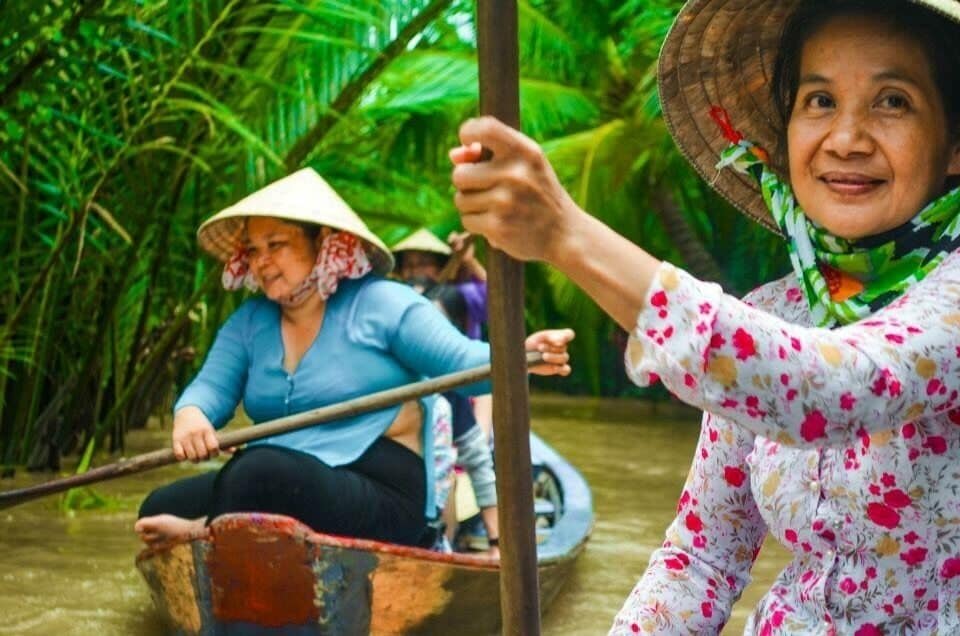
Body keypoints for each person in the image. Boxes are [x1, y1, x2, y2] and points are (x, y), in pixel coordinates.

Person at [449, 0, 960, 632]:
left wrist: (567, 236)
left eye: (893, 102)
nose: (846, 139)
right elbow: (702, 557)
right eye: (819, 101)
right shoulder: (773, 310)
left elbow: (836, 388)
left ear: (954, 142)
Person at [134, 168, 574, 549]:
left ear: (324, 242)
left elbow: (464, 365)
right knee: (158, 506)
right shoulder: (250, 322)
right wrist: (190, 416)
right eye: (253, 249)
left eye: (276, 244)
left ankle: (204, 533)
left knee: (254, 473)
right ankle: (212, 528)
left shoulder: (384, 303)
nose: (262, 261)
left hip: (380, 491)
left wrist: (523, 355)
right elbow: (210, 388)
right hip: (277, 482)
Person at [424, 282, 500, 554]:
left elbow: (477, 453)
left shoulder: (458, 386)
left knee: (452, 481)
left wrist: (496, 543)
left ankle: (446, 547)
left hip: (456, 475)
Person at [392, 228, 488, 339]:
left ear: (440, 267)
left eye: (424, 263)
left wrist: (469, 260)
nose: (415, 270)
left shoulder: (461, 293)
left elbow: (494, 299)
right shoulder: (397, 297)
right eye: (408, 265)